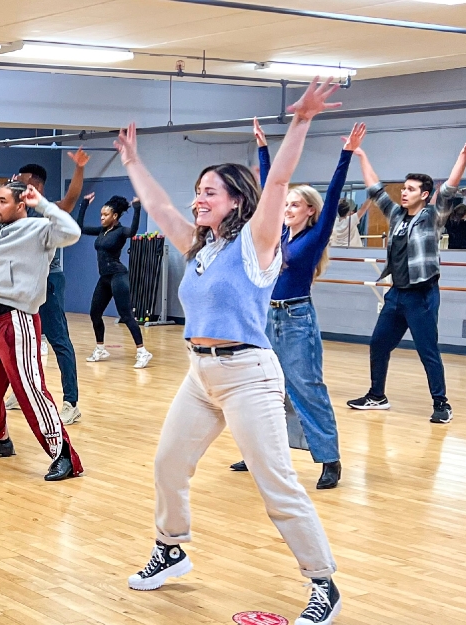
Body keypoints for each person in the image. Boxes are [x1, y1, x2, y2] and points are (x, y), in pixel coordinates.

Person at [120, 78, 344, 625]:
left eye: (210, 192)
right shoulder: (200, 246)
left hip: (249, 374)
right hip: (201, 373)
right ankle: (171, 548)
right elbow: (157, 202)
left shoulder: (257, 242)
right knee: (169, 464)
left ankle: (323, 583)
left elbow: (282, 180)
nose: (199, 199)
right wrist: (131, 158)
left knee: (277, 485)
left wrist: (303, 120)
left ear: (238, 200)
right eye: (198, 191)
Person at [230, 122, 365, 490]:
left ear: (309, 210)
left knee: (306, 388)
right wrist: (262, 149)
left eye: (294, 204)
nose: (287, 208)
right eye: (285, 203)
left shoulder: (316, 235)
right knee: (260, 389)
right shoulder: (277, 231)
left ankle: (329, 460)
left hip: (295, 319)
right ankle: (256, 453)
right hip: (263, 318)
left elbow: (336, 191)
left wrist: (347, 154)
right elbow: (267, 193)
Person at [346, 130, 466, 424]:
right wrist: (359, 154)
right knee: (378, 344)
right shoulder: (397, 216)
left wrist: (465, 153)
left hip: (422, 296)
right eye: (404, 188)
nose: (404, 192)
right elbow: (375, 190)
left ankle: (442, 403)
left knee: (427, 351)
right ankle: (377, 395)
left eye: (411, 189)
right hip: (396, 294)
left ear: (424, 195)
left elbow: (450, 188)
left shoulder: (432, 216)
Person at [0, 173, 83, 481]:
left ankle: (64, 454)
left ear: (21, 205)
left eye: (2, 201)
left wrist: (43, 205)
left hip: (19, 319)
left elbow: (72, 231)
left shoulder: (38, 229)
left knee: (30, 390)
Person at [0, 144, 88, 424]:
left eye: (23, 179)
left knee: (58, 340)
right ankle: (20, 391)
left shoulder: (45, 211)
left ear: (36, 185)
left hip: (48, 280)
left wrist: (79, 167)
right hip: (18, 291)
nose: (17, 180)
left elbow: (72, 197)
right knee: (21, 342)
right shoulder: (7, 213)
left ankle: (71, 401)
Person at [75, 192, 150, 369]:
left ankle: (142, 352)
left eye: (105, 215)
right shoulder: (102, 231)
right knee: (95, 313)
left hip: (118, 276)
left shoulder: (121, 232)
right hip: (105, 278)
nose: (102, 218)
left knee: (126, 315)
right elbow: (79, 228)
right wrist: (84, 204)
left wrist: (137, 208)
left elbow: (133, 232)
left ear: (115, 216)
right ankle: (100, 348)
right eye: (101, 214)